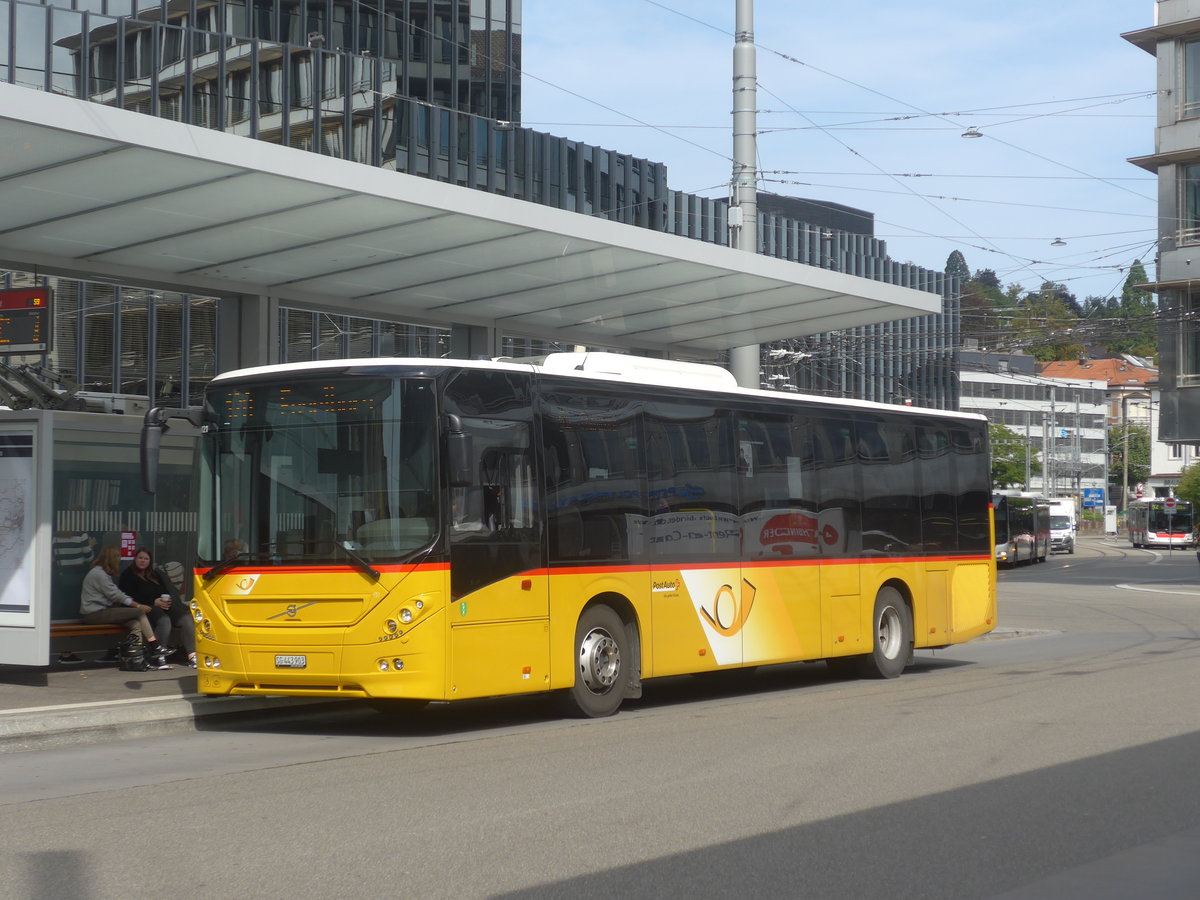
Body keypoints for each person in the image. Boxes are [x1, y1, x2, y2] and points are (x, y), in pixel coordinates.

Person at [80, 546, 169, 670]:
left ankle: (138, 659)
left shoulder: (102, 573)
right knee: (139, 612)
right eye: (116, 557)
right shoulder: (99, 574)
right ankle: (155, 645)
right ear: (110, 558)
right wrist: (138, 605)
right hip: (94, 614)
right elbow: (116, 595)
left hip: (102, 611)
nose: (119, 560)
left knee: (135, 623)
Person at [118, 547, 196, 668]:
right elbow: (127, 598)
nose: (143, 561)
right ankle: (159, 654)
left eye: (146, 558)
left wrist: (167, 600)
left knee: (186, 618)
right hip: (143, 608)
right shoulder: (128, 575)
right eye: (140, 558)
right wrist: (153, 602)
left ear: (150, 561)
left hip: (161, 606)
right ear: (135, 559)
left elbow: (166, 590)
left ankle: (192, 655)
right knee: (164, 620)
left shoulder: (155, 574)